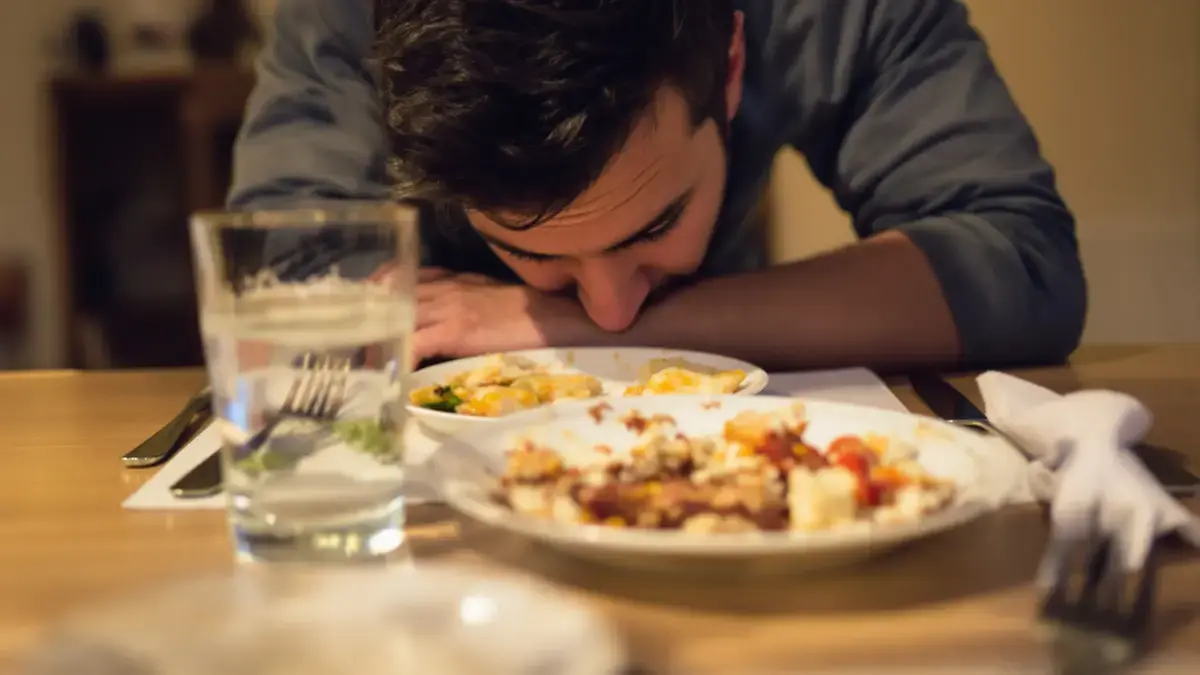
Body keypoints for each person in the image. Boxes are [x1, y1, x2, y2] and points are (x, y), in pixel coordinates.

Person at [229, 0, 1087, 371]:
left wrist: (550, 326)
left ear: (733, 64)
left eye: (654, 223)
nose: (610, 308)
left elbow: (1021, 262)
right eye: (528, 248)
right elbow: (275, 292)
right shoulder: (358, 19)